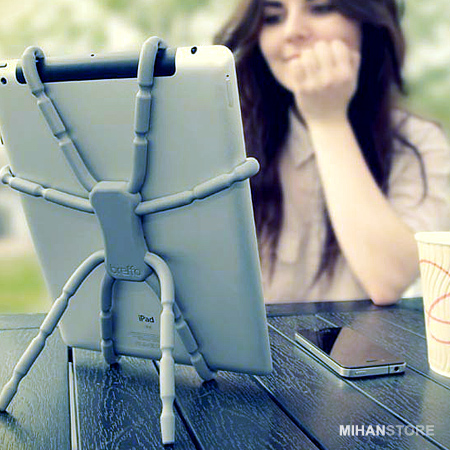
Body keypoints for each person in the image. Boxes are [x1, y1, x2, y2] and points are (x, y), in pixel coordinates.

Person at [214, 0, 450, 304]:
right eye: (273, 17)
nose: (292, 31)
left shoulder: (418, 142)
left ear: (367, 22)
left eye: (321, 8)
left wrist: (327, 119)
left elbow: (388, 280)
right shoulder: (226, 137)